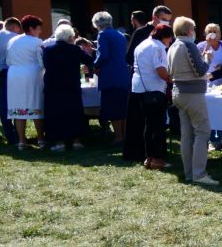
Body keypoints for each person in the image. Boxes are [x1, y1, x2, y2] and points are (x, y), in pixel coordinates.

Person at [168, 17, 216, 185]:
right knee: (203, 132)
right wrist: (208, 59)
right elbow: (200, 70)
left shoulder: (173, 46)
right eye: (194, 29)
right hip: (193, 94)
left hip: (179, 93)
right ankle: (199, 174)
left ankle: (190, 173)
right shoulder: (188, 45)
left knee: (186, 135)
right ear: (189, 31)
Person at [42, 24, 95, 152]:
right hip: (72, 85)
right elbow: (89, 59)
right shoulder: (75, 49)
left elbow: (45, 65)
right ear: (70, 37)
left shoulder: (48, 50)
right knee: (74, 113)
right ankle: (76, 141)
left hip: (53, 86)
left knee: (56, 114)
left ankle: (59, 143)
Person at [131, 23, 174, 170]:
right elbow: (160, 69)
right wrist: (171, 79)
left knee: (149, 125)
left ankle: (148, 157)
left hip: (139, 89)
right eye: (170, 38)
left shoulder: (142, 44)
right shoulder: (158, 47)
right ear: (165, 37)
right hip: (154, 90)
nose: (170, 42)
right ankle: (157, 159)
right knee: (158, 126)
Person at [5, 15, 46, 150]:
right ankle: (40, 139)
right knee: (36, 105)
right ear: (31, 28)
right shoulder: (37, 42)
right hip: (32, 74)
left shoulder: (12, 41)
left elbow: (8, 61)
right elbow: (42, 61)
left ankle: (22, 141)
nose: (40, 32)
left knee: (18, 108)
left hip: (14, 74)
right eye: (38, 29)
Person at [93, 11, 130, 145]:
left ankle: (118, 137)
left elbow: (103, 55)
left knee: (113, 108)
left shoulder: (103, 34)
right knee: (123, 107)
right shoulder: (120, 35)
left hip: (110, 75)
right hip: (122, 74)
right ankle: (125, 135)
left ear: (97, 23)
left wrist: (95, 65)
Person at [197, 23, 222, 150]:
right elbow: (198, 62)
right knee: (208, 113)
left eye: (215, 31)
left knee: (220, 111)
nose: (213, 33)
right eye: (210, 31)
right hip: (205, 84)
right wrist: (207, 44)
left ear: (220, 34)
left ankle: (218, 139)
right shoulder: (201, 46)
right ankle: (209, 140)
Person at [126, 5, 172, 70]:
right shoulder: (140, 32)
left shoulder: (168, 33)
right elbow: (130, 57)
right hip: (144, 74)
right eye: (164, 19)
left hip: (164, 74)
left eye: (168, 20)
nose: (166, 22)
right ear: (154, 17)